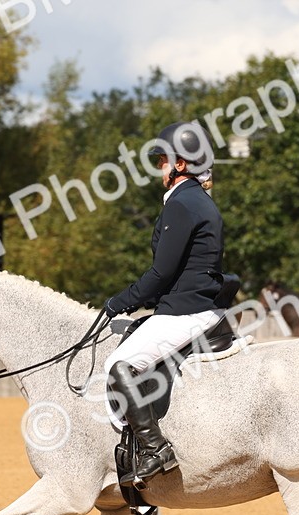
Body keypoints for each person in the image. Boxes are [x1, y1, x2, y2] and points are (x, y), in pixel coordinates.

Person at [102, 121, 228, 487]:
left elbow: (161, 272)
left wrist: (119, 302)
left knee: (118, 365)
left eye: (162, 159)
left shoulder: (183, 204)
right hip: (196, 303)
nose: (159, 165)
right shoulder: (198, 201)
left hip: (186, 309)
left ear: (181, 165)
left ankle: (156, 448)